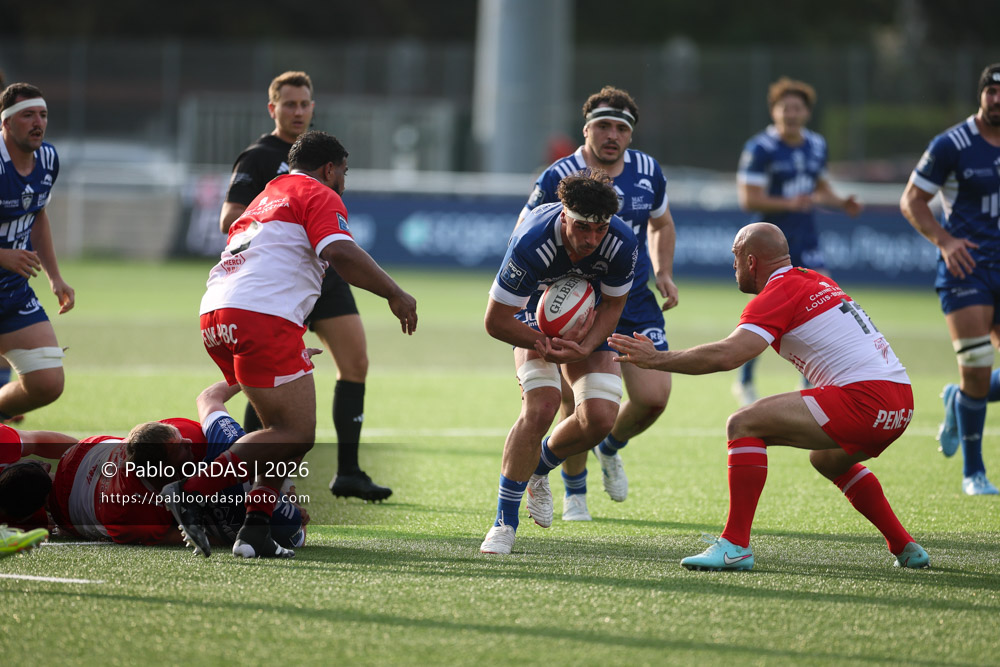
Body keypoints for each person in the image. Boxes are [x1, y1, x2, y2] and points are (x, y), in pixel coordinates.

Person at [609, 223, 929, 571]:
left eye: (734, 258)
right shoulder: (814, 279)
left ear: (750, 261)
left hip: (865, 399)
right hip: (900, 403)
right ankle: (904, 545)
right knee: (826, 459)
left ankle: (734, 546)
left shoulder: (778, 293)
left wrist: (656, 359)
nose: (732, 266)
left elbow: (728, 356)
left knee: (743, 424)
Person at [167, 130, 417, 560]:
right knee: (296, 434)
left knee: (277, 435)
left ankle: (255, 530)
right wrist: (396, 293)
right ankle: (190, 490)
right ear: (329, 169)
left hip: (217, 314)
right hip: (261, 316)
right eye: (343, 172)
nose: (344, 182)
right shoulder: (318, 191)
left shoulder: (269, 193)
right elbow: (341, 251)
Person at [220, 71, 391, 503]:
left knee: (355, 362)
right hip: (277, 279)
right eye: (289, 104)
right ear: (272, 108)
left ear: (313, 107)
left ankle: (348, 471)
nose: (298, 111)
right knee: (266, 383)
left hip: (324, 275)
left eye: (304, 104)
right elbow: (230, 220)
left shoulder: (319, 156)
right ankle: (245, 479)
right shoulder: (259, 158)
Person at [518, 86, 679, 522]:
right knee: (576, 399)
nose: (612, 135)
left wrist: (663, 270)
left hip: (633, 297)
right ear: (586, 128)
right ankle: (574, 494)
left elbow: (661, 225)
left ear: (631, 135)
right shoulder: (559, 174)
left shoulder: (648, 171)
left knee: (653, 398)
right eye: (604, 125)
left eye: (622, 128)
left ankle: (609, 447)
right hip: (576, 299)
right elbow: (526, 229)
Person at [480, 169, 638, 555]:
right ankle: (504, 523)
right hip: (530, 317)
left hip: (589, 317)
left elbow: (615, 304)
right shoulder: (532, 241)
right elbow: (495, 320)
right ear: (565, 215)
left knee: (601, 418)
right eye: (583, 227)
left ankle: (539, 467)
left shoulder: (621, 242)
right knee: (542, 407)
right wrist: (542, 342)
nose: (591, 239)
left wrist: (585, 347)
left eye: (599, 229)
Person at [900, 63, 1000, 496]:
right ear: (981, 95)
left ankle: (957, 402)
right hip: (968, 269)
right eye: (992, 92)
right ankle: (974, 473)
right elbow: (912, 200)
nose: (998, 100)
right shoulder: (952, 144)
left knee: (974, 381)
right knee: (978, 367)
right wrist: (944, 240)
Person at [734, 77, 862, 406]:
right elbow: (749, 198)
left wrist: (840, 202)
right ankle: (745, 380)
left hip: (806, 238)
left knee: (826, 304)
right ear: (774, 111)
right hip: (767, 243)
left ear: (807, 112)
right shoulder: (760, 148)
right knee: (769, 314)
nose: (791, 114)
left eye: (797, 108)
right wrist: (789, 203)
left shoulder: (816, 144)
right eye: (784, 108)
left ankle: (809, 383)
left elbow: (819, 187)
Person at [0, 83, 74, 423]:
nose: (38, 123)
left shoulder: (48, 159)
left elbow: (38, 215)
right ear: (5, 123)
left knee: (47, 382)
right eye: (27, 114)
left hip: (12, 292)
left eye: (42, 115)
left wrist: (55, 277)